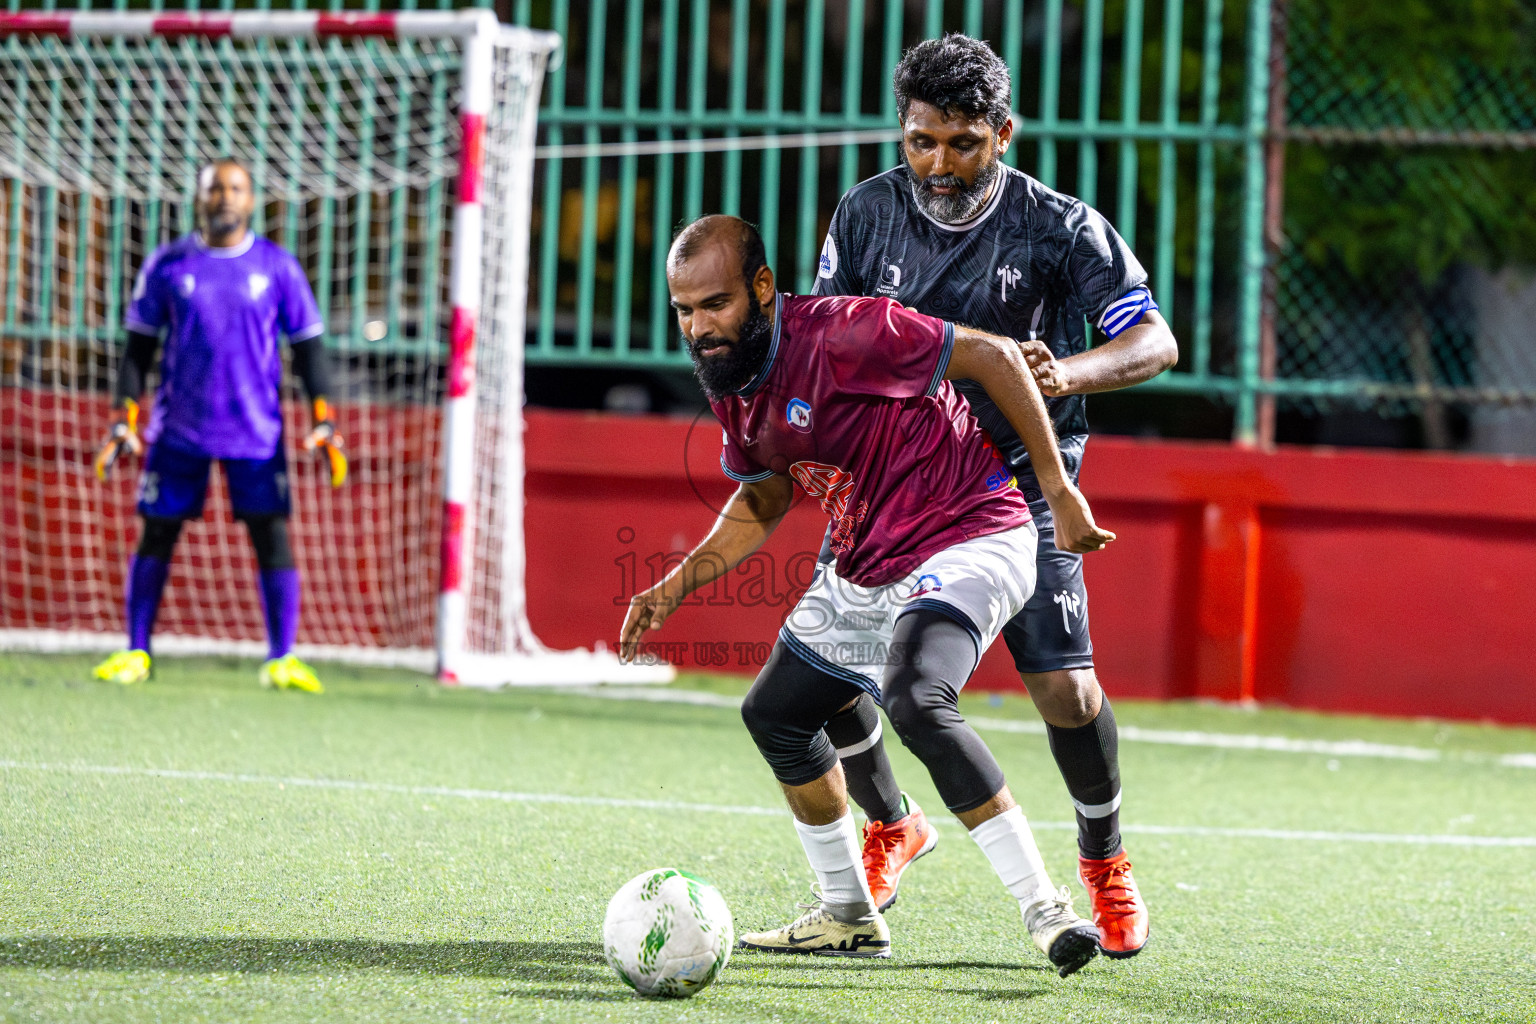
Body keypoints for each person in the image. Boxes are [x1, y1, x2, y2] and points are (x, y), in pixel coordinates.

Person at [621, 215, 1115, 976]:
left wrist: (1058, 489)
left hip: (975, 529)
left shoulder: (849, 331)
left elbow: (992, 355)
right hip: (870, 562)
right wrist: (672, 585)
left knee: (916, 696)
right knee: (775, 716)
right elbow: (761, 500)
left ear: (760, 289)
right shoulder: (733, 384)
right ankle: (849, 914)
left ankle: (1046, 910)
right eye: (684, 311)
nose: (699, 328)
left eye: (714, 304)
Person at [810, 34, 1176, 959]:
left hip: (1018, 484)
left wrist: (1067, 373)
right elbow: (822, 341)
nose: (938, 164)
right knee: (824, 664)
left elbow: (1154, 342)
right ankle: (891, 822)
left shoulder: (1060, 227)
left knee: (1064, 689)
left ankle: (1103, 860)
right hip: (893, 480)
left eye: (962, 143)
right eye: (920, 141)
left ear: (1003, 134)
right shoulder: (864, 215)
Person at [90, 159, 347, 693]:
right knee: (157, 532)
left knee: (270, 534)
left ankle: (282, 657)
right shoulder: (168, 266)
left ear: (251, 201)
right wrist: (123, 419)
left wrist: (323, 420)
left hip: (257, 431)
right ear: (199, 198)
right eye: (215, 189)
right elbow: (137, 351)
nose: (225, 197)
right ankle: (137, 651)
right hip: (179, 428)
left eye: (235, 189)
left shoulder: (278, 267)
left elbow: (309, 350)